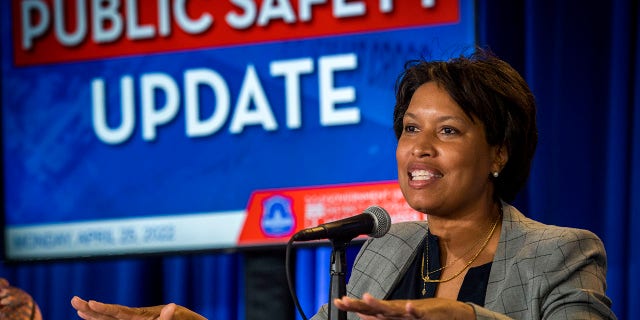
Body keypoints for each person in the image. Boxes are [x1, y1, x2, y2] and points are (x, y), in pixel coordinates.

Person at [70, 49, 616, 320]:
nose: (419, 149)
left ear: (500, 151)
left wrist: (470, 318)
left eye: (447, 130)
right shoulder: (384, 250)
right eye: (409, 129)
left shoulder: (561, 252)